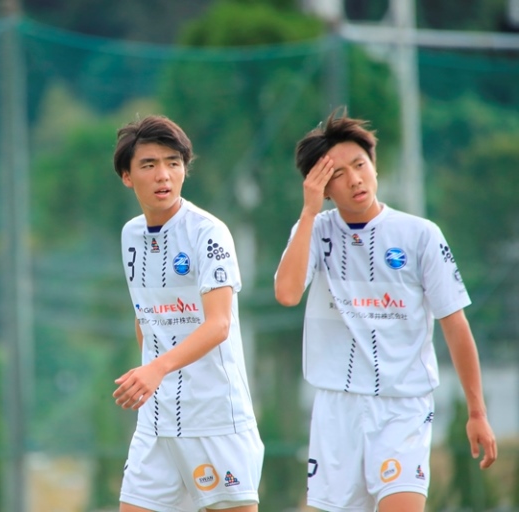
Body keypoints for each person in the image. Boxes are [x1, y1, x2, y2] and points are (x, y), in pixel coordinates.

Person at [274, 107, 498, 512]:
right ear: (322, 187)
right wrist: (308, 212)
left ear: (374, 167)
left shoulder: (420, 235)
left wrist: (476, 412)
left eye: (360, 165)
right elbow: (287, 293)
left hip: (402, 406)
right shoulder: (315, 231)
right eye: (337, 174)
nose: (355, 179)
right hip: (336, 408)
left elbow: (455, 323)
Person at [111, 114, 264, 512]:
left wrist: (156, 368)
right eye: (149, 165)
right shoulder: (130, 235)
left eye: (173, 163)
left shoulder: (208, 233)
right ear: (127, 176)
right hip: (156, 421)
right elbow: (145, 317)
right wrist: (149, 373)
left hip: (214, 418)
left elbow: (219, 324)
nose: (163, 175)